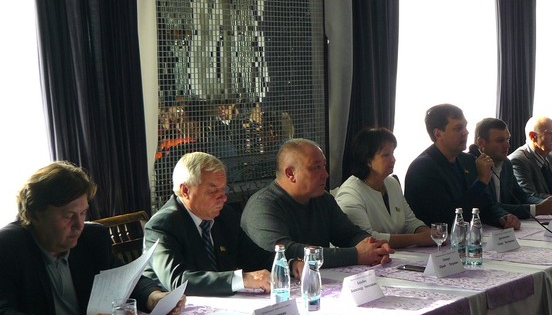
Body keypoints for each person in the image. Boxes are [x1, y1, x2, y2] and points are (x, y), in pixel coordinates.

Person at [0, 162, 184, 315]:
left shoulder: (91, 238)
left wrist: (154, 297)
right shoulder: (8, 246)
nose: (79, 225)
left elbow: (123, 277)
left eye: (83, 213)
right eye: (68, 216)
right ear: (35, 214)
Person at [241, 138, 393, 268]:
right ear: (291, 173)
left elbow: (348, 234)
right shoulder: (262, 206)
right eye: (316, 167)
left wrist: (374, 246)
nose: (325, 174)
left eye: (324, 166)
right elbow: (284, 252)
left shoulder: (323, 199)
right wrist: (356, 255)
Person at [143, 152, 278, 296]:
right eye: (213, 191)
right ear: (185, 191)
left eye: (223, 189)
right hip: (178, 307)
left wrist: (289, 264)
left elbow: (257, 258)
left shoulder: (225, 216)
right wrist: (241, 279)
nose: (223, 198)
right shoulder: (162, 226)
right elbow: (177, 281)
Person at [404, 104, 520, 229]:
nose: (466, 132)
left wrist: (502, 217)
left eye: (465, 126)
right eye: (458, 128)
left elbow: (486, 205)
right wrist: (481, 181)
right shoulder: (422, 168)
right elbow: (446, 218)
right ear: (438, 134)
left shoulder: (468, 160)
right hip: (437, 238)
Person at [336, 127, 432, 248]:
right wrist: (418, 239)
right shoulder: (350, 193)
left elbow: (410, 221)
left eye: (393, 153)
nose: (393, 159)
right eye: (386, 155)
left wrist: (430, 234)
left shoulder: (392, 183)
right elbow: (366, 238)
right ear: (368, 161)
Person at [468, 118, 552, 219]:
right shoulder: (471, 165)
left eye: (507, 139)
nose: (507, 145)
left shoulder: (506, 164)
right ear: (481, 143)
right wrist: (536, 209)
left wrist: (546, 204)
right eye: (500, 141)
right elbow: (488, 206)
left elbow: (521, 197)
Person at [509, 116, 552, 201]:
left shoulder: (551, 158)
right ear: (533, 136)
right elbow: (530, 196)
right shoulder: (518, 161)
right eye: (550, 133)